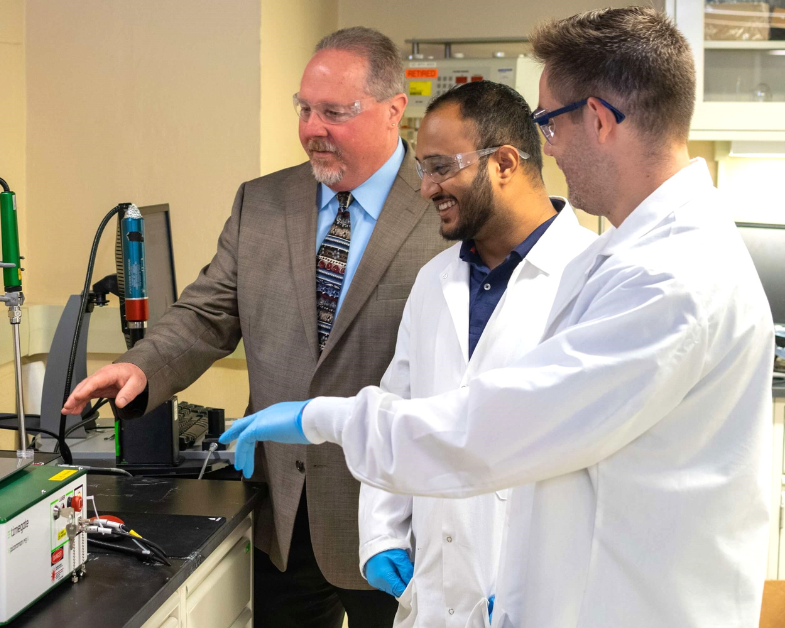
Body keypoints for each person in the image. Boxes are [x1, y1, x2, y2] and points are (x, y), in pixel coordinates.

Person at [221, 8, 775, 628]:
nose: (551, 149)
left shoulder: (668, 278)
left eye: (550, 124)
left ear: (596, 119)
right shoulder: (642, 256)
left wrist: (321, 416)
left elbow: (493, 428)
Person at [61, 27, 446, 628]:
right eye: (305, 109)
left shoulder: (441, 209)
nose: (312, 128)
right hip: (282, 517)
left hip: (396, 524)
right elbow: (208, 312)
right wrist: (141, 365)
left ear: (394, 110)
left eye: (334, 112)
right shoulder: (263, 203)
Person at [360, 80, 597, 627]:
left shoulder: (593, 277)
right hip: (434, 597)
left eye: (442, 167)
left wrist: (549, 586)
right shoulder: (434, 281)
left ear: (506, 163)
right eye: (423, 168)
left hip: (548, 604)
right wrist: (380, 535)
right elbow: (397, 417)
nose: (426, 188)